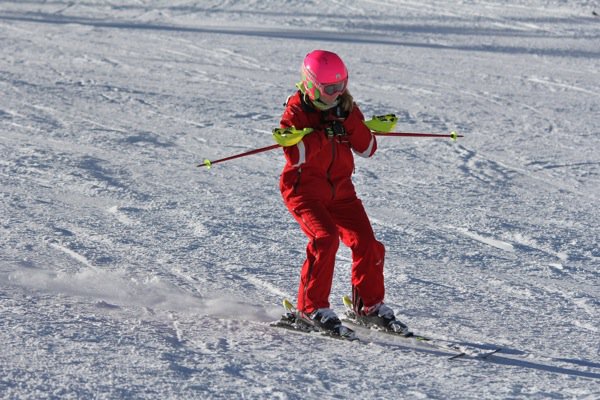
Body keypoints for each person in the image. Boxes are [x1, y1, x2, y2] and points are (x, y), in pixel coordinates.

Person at [276, 50, 409, 335]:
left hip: (342, 194)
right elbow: (295, 155)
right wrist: (324, 135)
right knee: (325, 239)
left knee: (368, 244)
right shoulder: (296, 111)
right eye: (329, 89)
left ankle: (368, 306)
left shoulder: (345, 107)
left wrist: (348, 123)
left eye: (341, 86)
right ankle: (310, 308)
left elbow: (368, 148)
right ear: (311, 85)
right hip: (304, 193)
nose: (336, 93)